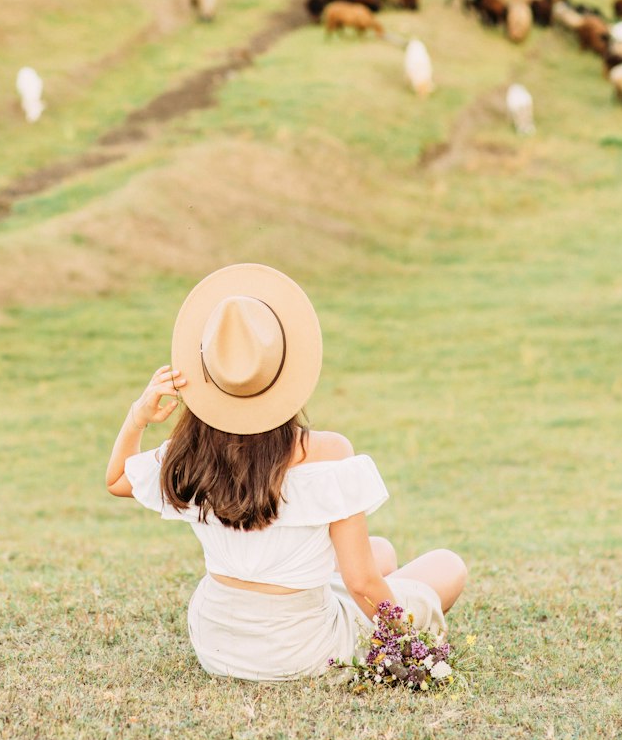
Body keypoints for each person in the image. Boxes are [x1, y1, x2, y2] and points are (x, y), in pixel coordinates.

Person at [106, 263, 467, 683]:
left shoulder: (189, 455)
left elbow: (116, 481)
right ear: (286, 370)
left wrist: (137, 416)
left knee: (382, 549)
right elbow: (362, 581)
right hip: (303, 648)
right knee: (447, 565)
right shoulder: (328, 452)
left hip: (217, 643)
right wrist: (408, 648)